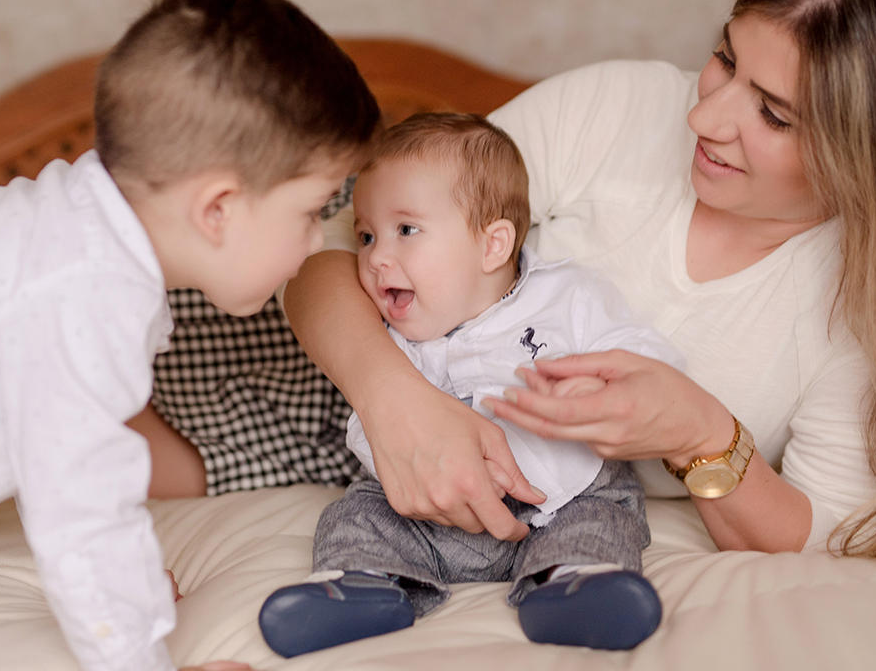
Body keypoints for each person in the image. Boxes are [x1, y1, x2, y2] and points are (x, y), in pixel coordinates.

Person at [282, 0, 876, 559]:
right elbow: (318, 261)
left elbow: (818, 531)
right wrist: (394, 400)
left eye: (775, 115)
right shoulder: (616, 107)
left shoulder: (872, 298)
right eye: (725, 58)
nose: (704, 118)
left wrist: (697, 431)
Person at [0, 0, 379, 671]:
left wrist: (123, 595)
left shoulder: (58, 233)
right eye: (312, 211)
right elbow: (83, 514)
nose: (320, 242)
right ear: (218, 208)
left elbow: (39, 449)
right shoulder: (84, 300)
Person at [259, 113, 683, 657]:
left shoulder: (567, 297)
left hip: (562, 496)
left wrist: (601, 395)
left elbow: (647, 364)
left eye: (405, 230)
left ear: (493, 246)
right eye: (366, 235)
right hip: (427, 511)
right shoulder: (384, 331)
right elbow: (373, 428)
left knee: (605, 519)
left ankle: (577, 586)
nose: (376, 256)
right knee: (357, 513)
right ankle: (361, 585)